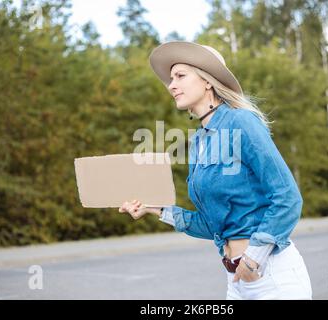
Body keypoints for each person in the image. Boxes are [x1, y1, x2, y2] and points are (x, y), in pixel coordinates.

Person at [118, 41, 312, 300]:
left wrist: (254, 257)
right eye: (171, 78)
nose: (171, 85)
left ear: (207, 80)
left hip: (271, 276)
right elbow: (212, 224)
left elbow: (287, 197)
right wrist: (154, 209)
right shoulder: (199, 141)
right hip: (236, 281)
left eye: (180, 76)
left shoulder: (241, 121)